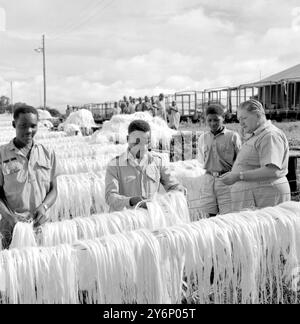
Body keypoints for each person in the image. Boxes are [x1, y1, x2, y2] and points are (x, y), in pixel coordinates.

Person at [0, 105, 58, 248]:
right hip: (12, 229)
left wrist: (44, 207)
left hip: (41, 226)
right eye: (23, 126)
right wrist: (10, 217)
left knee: (40, 266)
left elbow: (54, 189)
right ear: (14, 125)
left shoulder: (47, 153)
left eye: (33, 126)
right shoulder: (2, 154)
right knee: (14, 266)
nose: (29, 131)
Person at [221, 99, 291, 212]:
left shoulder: (270, 136)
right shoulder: (257, 135)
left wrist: (238, 176)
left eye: (244, 118)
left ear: (258, 115)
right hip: (255, 199)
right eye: (239, 119)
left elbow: (272, 170)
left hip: (264, 199)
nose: (241, 123)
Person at [105, 120, 186, 212]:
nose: (142, 147)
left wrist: (179, 191)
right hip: (127, 219)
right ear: (128, 139)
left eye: (145, 142)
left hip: (151, 218)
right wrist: (131, 201)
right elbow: (110, 197)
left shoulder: (157, 162)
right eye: (136, 142)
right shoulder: (115, 165)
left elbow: (173, 185)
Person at [198, 104, 241, 216]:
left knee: (228, 216)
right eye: (209, 120)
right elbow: (202, 159)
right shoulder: (203, 138)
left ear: (223, 118)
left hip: (226, 180)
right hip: (209, 180)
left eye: (216, 120)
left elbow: (240, 160)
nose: (213, 123)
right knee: (209, 216)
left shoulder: (233, 136)